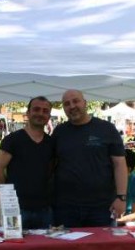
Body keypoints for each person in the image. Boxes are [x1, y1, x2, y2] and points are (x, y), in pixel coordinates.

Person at [52, 89, 127, 227]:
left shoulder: (106, 129)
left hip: (102, 207)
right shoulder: (59, 132)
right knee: (67, 248)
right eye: (67, 104)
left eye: (76, 101)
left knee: (101, 247)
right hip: (66, 208)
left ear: (85, 103)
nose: (72, 106)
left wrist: (121, 197)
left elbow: (120, 164)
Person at [0, 96, 54, 229]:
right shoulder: (12, 140)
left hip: (45, 209)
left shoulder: (51, 143)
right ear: (28, 113)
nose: (40, 113)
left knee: (44, 247)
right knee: (14, 247)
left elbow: (50, 172)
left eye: (45, 111)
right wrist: (6, 195)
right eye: (36, 109)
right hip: (16, 209)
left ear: (49, 116)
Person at [116, 149, 135, 225]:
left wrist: (117, 221)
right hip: (104, 216)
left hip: (125, 218)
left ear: (128, 169)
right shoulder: (107, 177)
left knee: (129, 225)